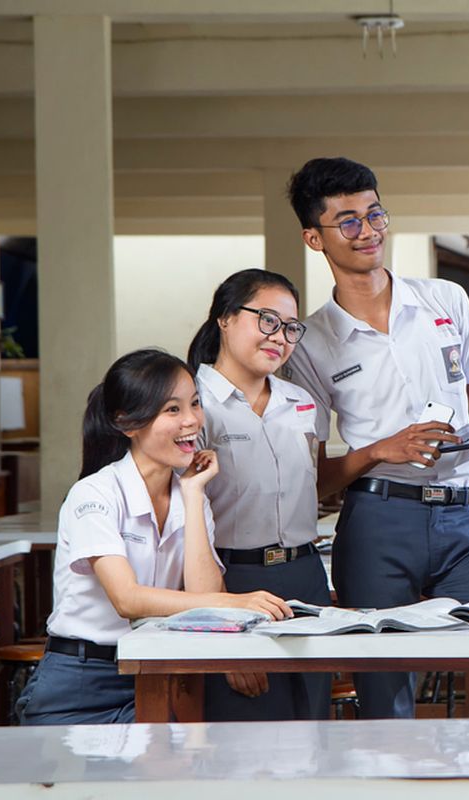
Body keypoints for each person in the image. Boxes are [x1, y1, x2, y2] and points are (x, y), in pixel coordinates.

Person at [283, 156, 469, 719]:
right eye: (348, 221)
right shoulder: (309, 342)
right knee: (386, 692)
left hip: (464, 517)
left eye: (375, 213)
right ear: (314, 238)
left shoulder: (446, 300)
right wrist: (380, 450)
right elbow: (312, 480)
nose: (369, 232)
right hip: (377, 523)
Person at [17, 349, 292, 726]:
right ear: (128, 424)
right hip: (81, 681)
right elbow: (127, 600)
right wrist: (234, 604)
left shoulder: (191, 493)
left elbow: (202, 593)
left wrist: (194, 495)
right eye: (172, 410)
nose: (193, 420)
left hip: (159, 669)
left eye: (195, 404)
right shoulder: (94, 493)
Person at [187, 268, 332, 721]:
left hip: (306, 577)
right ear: (225, 318)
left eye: (290, 327)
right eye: (266, 320)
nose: (280, 337)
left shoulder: (302, 402)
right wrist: (222, 627)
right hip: (233, 579)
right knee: (246, 732)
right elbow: (178, 520)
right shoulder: (193, 404)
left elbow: (314, 484)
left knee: (312, 723)